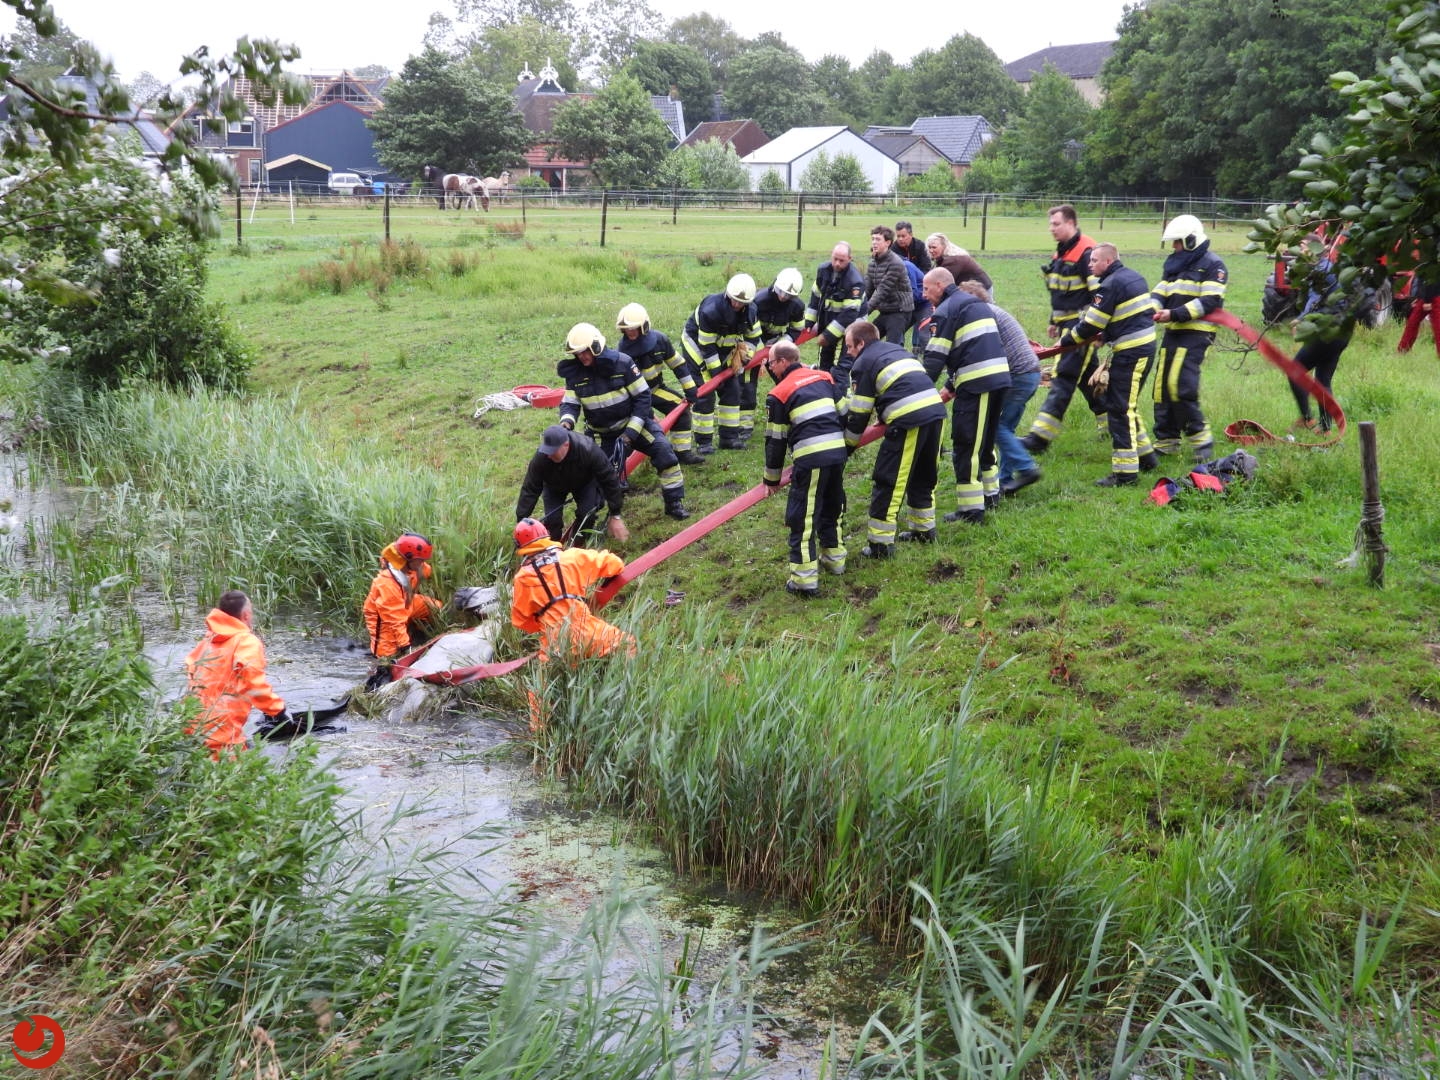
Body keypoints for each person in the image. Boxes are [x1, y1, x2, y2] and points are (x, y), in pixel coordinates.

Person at [1053, 243, 1160, 486]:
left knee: (1119, 409)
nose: (1089, 265)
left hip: (1131, 352)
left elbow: (1091, 324)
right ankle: (1146, 458)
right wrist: (1107, 334)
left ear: (1108, 262)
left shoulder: (1109, 285)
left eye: (1094, 261)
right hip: (1142, 347)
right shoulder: (1133, 276)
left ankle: (1125, 474)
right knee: (1126, 406)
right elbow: (1126, 315)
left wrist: (1066, 341)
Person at [559, 322, 689, 520]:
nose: (581, 357)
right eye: (577, 353)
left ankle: (674, 503)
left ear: (595, 347)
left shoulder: (623, 363)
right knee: (600, 478)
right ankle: (592, 518)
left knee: (664, 453)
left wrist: (631, 433)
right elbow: (570, 404)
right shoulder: (575, 374)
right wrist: (566, 423)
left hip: (634, 425)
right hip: (605, 435)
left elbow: (643, 397)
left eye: (584, 352)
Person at [842, 319, 946, 555]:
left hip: (909, 419)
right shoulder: (897, 350)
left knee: (890, 480)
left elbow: (858, 414)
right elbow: (901, 385)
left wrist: (846, 446)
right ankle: (924, 530)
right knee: (924, 473)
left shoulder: (863, 363)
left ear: (860, 343)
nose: (848, 352)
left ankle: (880, 545)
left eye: (849, 346)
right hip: (936, 412)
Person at [922, 267, 1010, 524]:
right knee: (985, 441)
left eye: (927, 289)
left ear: (940, 285)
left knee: (966, 444)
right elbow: (973, 347)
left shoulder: (946, 311)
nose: (925, 295)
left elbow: (934, 360)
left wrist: (917, 391)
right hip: (998, 379)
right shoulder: (975, 303)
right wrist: (950, 385)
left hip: (977, 383)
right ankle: (991, 496)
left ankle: (971, 510)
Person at [762, 341, 848, 596]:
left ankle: (804, 581)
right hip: (837, 454)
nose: (768, 368)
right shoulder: (824, 377)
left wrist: (771, 480)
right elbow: (845, 412)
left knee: (803, 518)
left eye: (770, 363)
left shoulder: (779, 393)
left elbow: (775, 440)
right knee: (833, 507)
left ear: (782, 362)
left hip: (811, 460)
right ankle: (835, 561)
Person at [1020, 204, 1106, 454]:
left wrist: (1088, 329)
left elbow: (1099, 295)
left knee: (1063, 378)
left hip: (1082, 327)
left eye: (1056, 224)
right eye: (1050, 224)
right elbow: (1060, 291)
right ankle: (1110, 424)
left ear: (1071, 223)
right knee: (1087, 379)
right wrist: (1053, 320)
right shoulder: (1062, 252)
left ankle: (1039, 438)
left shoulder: (1086, 251)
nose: (1052, 229)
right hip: (1067, 325)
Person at [1151, 214, 1228, 462]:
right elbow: (1160, 290)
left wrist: (1174, 313)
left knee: (1180, 384)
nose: (1174, 247)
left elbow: (1209, 301)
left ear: (1192, 239)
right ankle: (1166, 440)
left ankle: (1201, 440)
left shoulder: (1214, 265)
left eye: (1178, 242)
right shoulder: (1175, 264)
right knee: (1162, 387)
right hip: (1173, 330)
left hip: (1197, 333)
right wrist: (1153, 308)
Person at [957, 282, 1043, 496]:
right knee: (1006, 428)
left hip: (1019, 376)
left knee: (996, 428)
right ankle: (1005, 481)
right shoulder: (994, 311)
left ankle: (1027, 469)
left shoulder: (985, 316)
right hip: (1030, 373)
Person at [511, 517, 635, 662]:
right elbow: (615, 564)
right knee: (627, 644)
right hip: (590, 632)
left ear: (522, 547)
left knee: (549, 679)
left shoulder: (522, 578)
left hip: (555, 646)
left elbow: (521, 621)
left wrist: (547, 624)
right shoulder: (572, 557)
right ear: (546, 534)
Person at [184, 589, 287, 758]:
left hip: (190, 726)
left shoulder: (206, 642)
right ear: (246, 615)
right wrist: (278, 710)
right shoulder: (246, 641)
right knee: (233, 779)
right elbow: (252, 683)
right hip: (221, 733)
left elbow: (191, 674)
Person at [614, 302, 703, 465]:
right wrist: (647, 412)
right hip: (632, 398)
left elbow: (678, 364)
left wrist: (690, 389)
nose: (630, 332)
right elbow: (629, 390)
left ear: (644, 326)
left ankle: (682, 453)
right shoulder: (622, 353)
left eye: (633, 328)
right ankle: (624, 462)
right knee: (638, 427)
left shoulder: (660, 340)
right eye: (626, 328)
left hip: (655, 389)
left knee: (681, 411)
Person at [681, 274, 762, 451]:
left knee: (732, 390)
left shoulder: (752, 312)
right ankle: (704, 443)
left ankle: (729, 439)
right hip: (698, 348)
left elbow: (754, 338)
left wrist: (746, 356)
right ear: (727, 295)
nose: (737, 305)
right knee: (705, 393)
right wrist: (718, 375)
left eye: (741, 303)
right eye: (734, 300)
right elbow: (707, 346)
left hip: (724, 350)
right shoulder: (711, 310)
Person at [516, 424, 630, 545]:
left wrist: (615, 514)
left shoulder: (588, 449)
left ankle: (578, 544)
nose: (548, 455)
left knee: (587, 515)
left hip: (585, 483)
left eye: (553, 451)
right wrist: (521, 521)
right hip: (553, 487)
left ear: (566, 444)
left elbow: (609, 479)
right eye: (547, 451)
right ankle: (553, 549)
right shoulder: (541, 458)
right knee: (552, 521)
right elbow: (529, 490)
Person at [1288, 235, 1354, 433]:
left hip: (1328, 330)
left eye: (1302, 246)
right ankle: (1325, 429)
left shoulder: (1321, 270)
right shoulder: (1329, 267)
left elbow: (1314, 300)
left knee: (1295, 371)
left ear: (1315, 248)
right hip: (1342, 331)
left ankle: (1307, 419)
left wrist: (1301, 319)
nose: (1300, 251)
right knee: (1323, 380)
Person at [364, 532, 443, 666]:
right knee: (386, 659)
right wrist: (406, 648)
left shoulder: (414, 565)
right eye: (420, 560)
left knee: (436, 607)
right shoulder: (387, 582)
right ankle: (383, 659)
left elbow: (426, 571)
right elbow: (394, 620)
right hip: (384, 618)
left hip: (407, 602)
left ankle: (418, 632)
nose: (423, 563)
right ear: (407, 558)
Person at [749, 268, 808, 440]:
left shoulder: (797, 306)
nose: (783, 297)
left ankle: (793, 413)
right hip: (755, 343)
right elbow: (748, 326)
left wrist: (783, 343)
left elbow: (797, 328)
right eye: (781, 292)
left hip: (777, 344)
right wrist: (759, 351)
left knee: (786, 378)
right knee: (748, 384)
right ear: (776, 285)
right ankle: (745, 427)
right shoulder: (759, 301)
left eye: (788, 294)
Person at [803, 242, 866, 397]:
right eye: (835, 259)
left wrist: (827, 336)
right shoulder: (823, 270)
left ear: (850, 259)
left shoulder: (855, 281)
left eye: (842, 260)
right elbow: (815, 296)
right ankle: (824, 394)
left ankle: (844, 398)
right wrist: (810, 322)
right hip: (830, 322)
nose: (837, 263)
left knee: (843, 366)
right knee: (824, 361)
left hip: (852, 328)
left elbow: (849, 315)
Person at [861, 225, 914, 346]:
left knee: (893, 346)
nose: (874, 242)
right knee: (866, 340)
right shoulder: (873, 263)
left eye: (878, 239)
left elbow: (881, 291)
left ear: (888, 242)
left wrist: (863, 313)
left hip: (900, 311)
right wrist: (857, 307)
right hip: (885, 310)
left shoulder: (895, 263)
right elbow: (867, 290)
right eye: (873, 239)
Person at [925, 233, 993, 293]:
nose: (931, 250)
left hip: (982, 290)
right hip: (971, 290)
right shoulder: (944, 257)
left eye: (934, 247)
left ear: (944, 246)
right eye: (929, 247)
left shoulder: (952, 260)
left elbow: (943, 284)